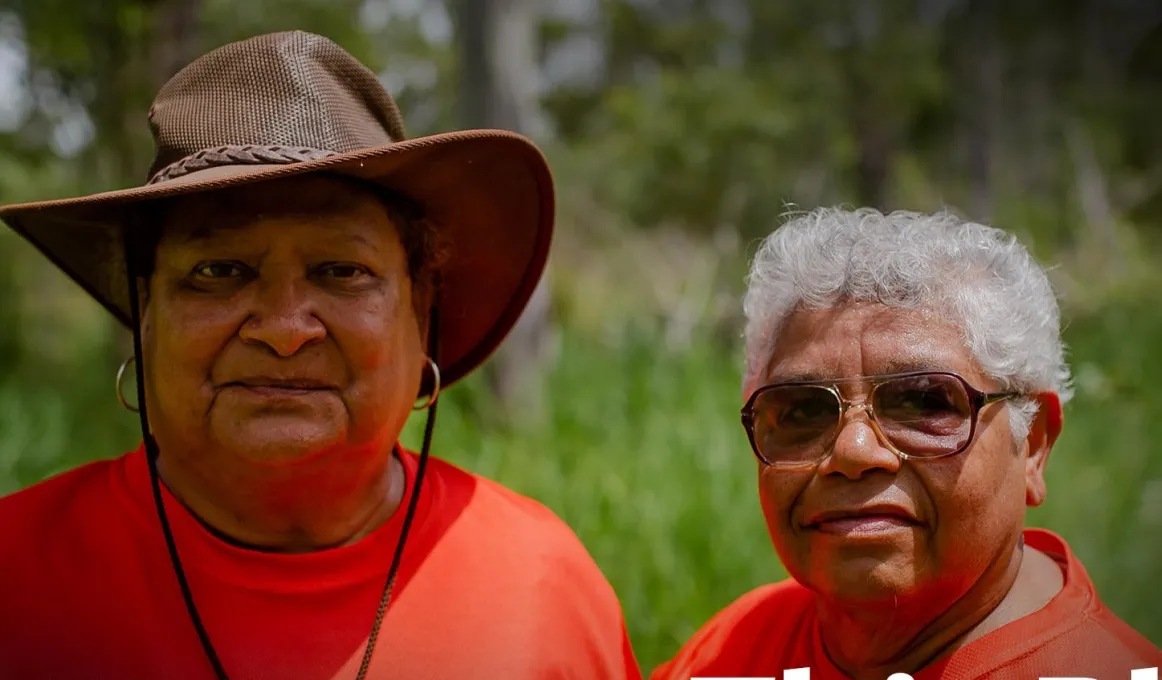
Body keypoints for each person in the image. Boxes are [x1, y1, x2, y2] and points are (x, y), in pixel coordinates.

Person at [0, 31, 640, 680]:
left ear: (420, 310)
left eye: (341, 270)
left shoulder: (544, 589)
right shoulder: (15, 577)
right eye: (220, 270)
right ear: (146, 311)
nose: (284, 329)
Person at [651, 208, 1162, 680]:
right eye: (803, 410)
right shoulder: (731, 651)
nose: (852, 451)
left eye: (923, 402)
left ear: (1032, 444)